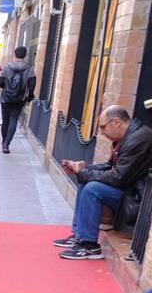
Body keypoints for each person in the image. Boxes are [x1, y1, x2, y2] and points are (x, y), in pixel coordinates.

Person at [54, 106, 152, 260]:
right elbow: (111, 166)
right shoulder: (128, 136)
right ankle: (80, 235)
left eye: (103, 127)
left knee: (93, 188)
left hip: (137, 198)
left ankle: (89, 245)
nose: (102, 132)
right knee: (86, 181)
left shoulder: (139, 139)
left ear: (116, 122)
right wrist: (84, 167)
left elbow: (119, 177)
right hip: (128, 189)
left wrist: (85, 173)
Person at [0, 45, 37, 153]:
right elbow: (32, 84)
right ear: (25, 55)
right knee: (13, 120)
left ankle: (3, 141)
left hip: (6, 98)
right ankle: (7, 144)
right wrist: (29, 97)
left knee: (5, 120)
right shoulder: (30, 69)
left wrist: (6, 89)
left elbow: (0, 81)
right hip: (19, 99)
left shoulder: (6, 67)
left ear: (15, 54)